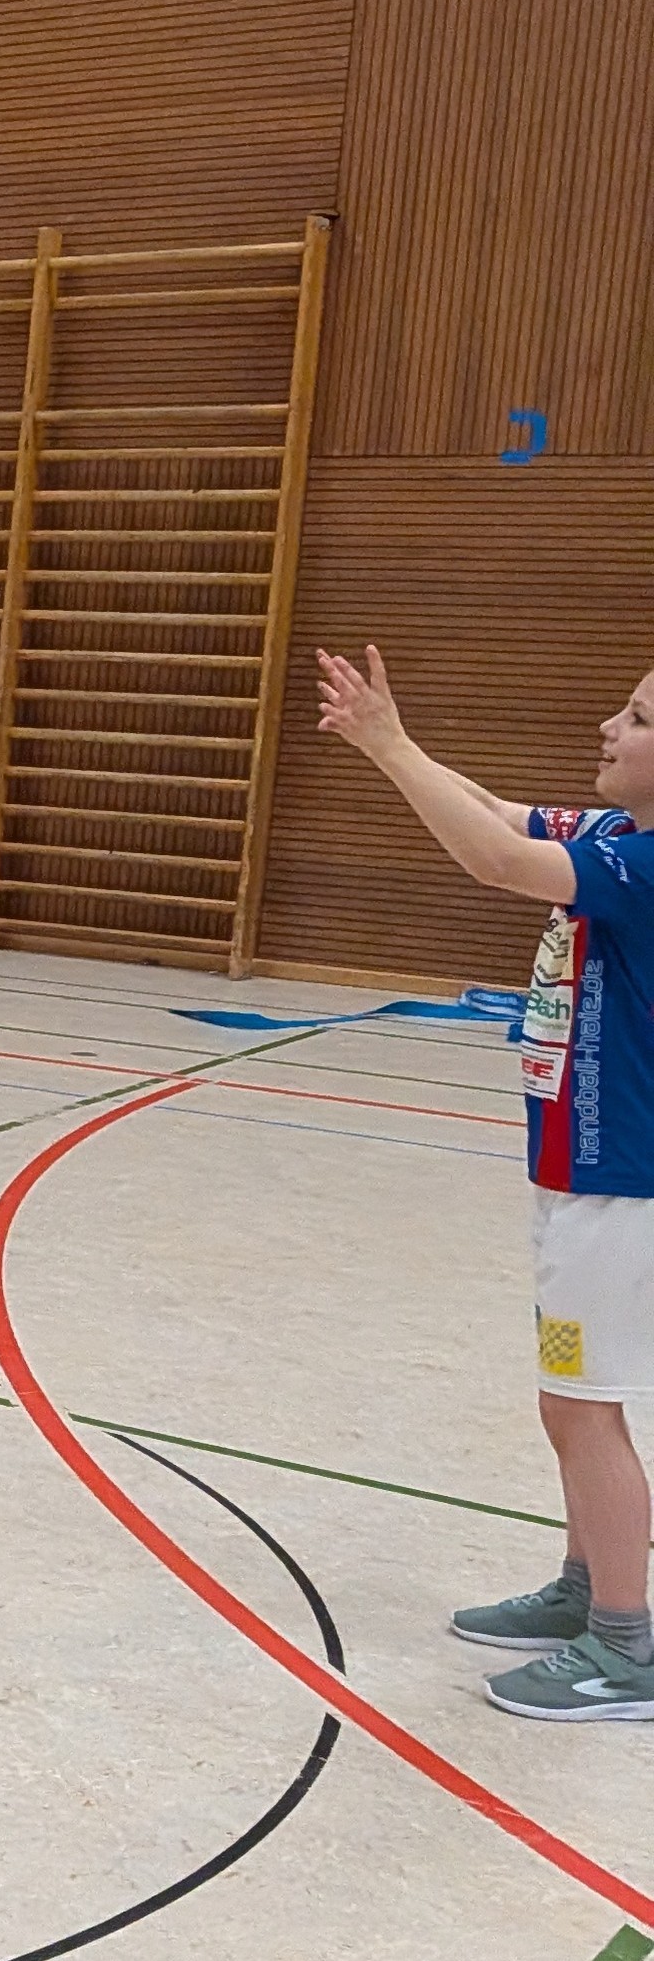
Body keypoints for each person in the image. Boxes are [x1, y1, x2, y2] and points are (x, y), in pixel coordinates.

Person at [317, 640, 654, 1722]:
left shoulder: (647, 868)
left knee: (583, 1406)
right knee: (573, 1400)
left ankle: (628, 1646)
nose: (610, 727)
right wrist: (396, 743)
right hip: (575, 1168)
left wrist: (385, 748)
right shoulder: (615, 835)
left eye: (639, 720)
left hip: (625, 1181)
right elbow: (504, 817)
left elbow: (498, 864)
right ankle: (585, 1588)